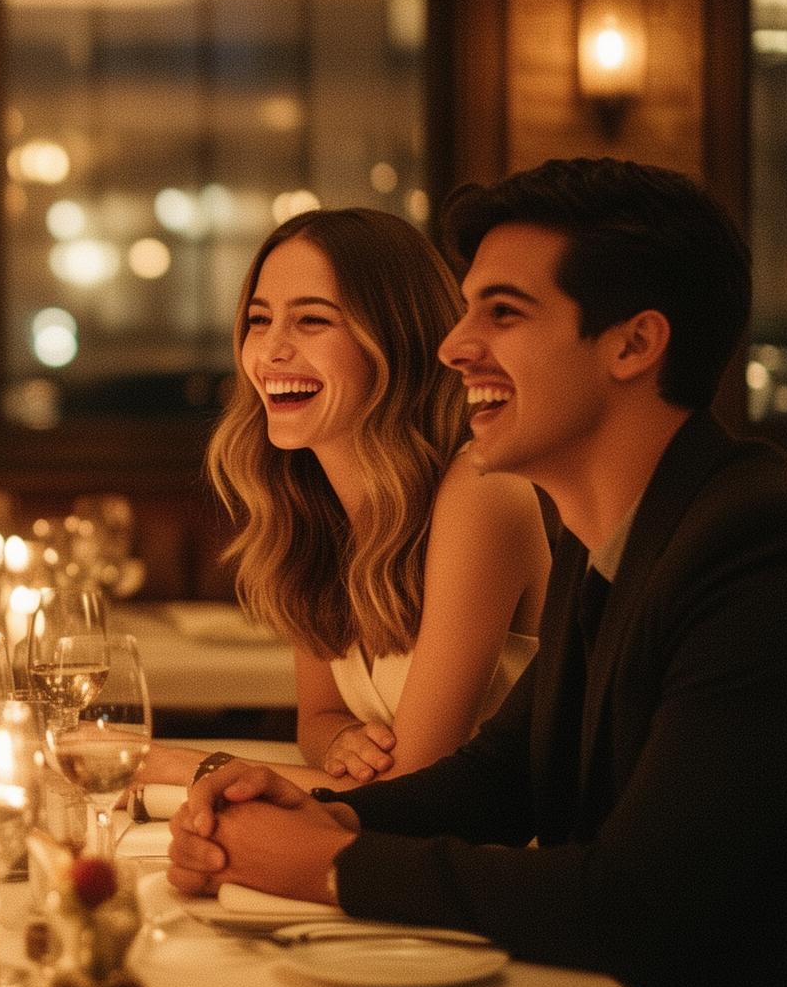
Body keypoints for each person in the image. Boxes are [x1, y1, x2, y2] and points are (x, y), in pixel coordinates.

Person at [168, 158, 787, 987]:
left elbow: (631, 903)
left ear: (634, 345)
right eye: (465, 313)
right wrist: (337, 818)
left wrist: (321, 864)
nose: (455, 348)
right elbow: (504, 775)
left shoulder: (762, 547)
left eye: (503, 313)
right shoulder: (616, 532)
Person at [145, 207, 549, 790]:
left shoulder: (480, 491)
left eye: (312, 321)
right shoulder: (312, 506)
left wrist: (166, 763)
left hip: (499, 868)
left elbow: (413, 787)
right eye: (260, 321)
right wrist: (339, 739)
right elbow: (317, 719)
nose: (272, 350)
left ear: (397, 339)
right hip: (395, 853)